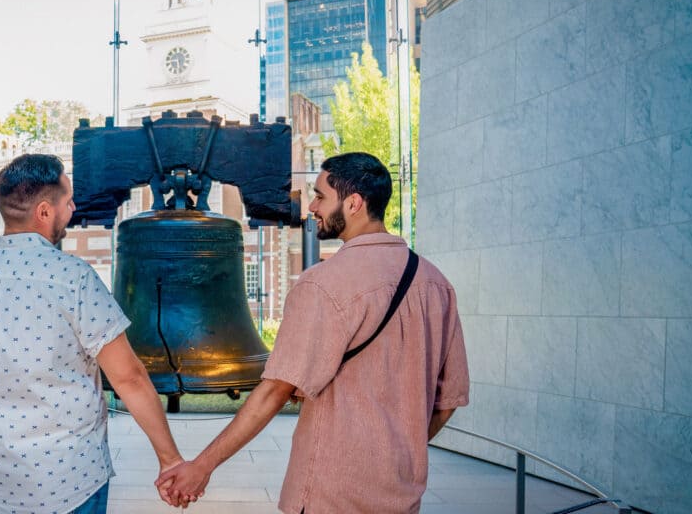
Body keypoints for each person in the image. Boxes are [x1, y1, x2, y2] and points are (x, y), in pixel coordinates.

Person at [157, 152, 469, 513]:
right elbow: (448, 402)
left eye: (320, 196)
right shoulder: (436, 284)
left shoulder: (322, 284)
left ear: (353, 203)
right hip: (402, 495)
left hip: (328, 493)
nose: (311, 206)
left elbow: (274, 391)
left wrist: (201, 467)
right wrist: (394, 454)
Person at [0, 153, 184, 514]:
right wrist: (170, 459)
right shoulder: (73, 278)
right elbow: (128, 377)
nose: (73, 208)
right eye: (68, 202)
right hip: (69, 482)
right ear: (45, 212)